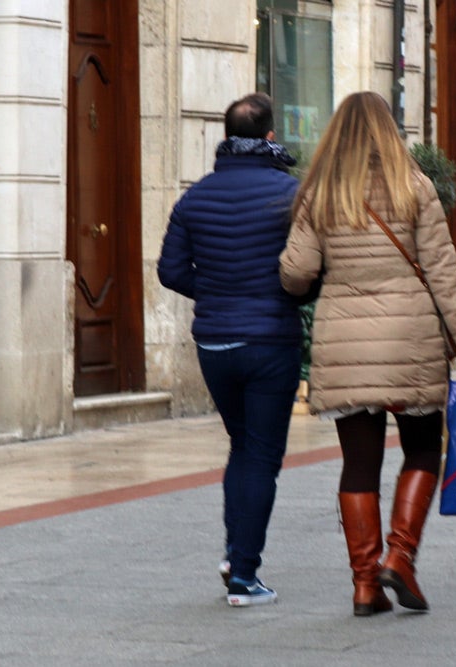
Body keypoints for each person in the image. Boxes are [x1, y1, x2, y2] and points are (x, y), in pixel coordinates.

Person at [279, 91, 456, 616]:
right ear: (389, 131)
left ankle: (366, 585)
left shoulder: (320, 194)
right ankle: (401, 555)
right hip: (410, 337)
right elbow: (443, 273)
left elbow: (296, 273)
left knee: (359, 464)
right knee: (421, 449)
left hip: (345, 340)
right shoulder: (414, 187)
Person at [158, 92, 310, 607]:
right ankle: (244, 573)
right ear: (270, 136)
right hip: (270, 340)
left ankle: (233, 551)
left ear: (225, 138)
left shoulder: (194, 197)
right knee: (262, 454)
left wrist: (219, 294)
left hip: (215, 343)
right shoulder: (290, 194)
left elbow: (171, 271)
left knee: (241, 445)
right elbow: (306, 269)